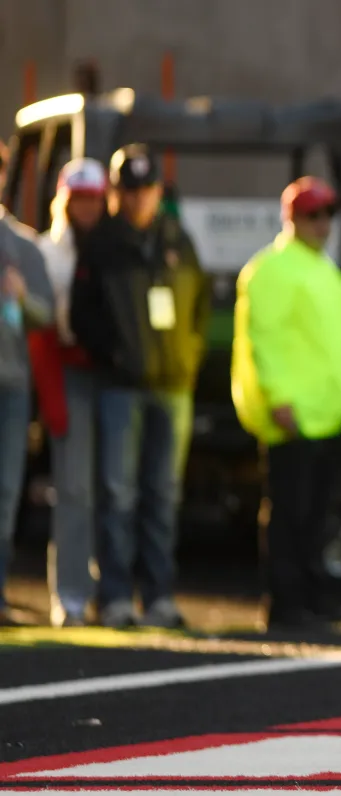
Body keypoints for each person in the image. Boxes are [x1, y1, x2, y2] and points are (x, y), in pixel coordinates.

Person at [70, 144, 210, 629]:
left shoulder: (177, 238)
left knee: (163, 494)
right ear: (117, 193)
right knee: (117, 492)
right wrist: (115, 354)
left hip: (172, 387)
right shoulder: (103, 243)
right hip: (121, 387)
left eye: (146, 190)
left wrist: (186, 360)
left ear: (157, 192)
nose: (138, 200)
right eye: (129, 191)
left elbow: (200, 307)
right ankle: (114, 596)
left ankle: (159, 595)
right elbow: (80, 314)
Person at [231, 177, 341, 629]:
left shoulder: (322, 268)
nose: (323, 224)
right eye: (313, 215)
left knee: (319, 514)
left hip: (329, 413)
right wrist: (279, 398)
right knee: (291, 511)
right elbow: (263, 339)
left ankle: (312, 594)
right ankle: (285, 601)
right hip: (295, 415)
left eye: (327, 215)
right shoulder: (271, 269)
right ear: (291, 219)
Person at [35, 158, 108, 626]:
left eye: (92, 199)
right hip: (67, 372)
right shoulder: (45, 251)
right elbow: (40, 332)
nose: (84, 207)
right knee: (75, 488)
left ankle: (109, 589)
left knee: (111, 489)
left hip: (110, 376)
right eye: (77, 198)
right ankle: (72, 594)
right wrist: (52, 399)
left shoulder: (113, 245)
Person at [0, 142, 55, 625]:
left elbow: (45, 315)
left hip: (12, 386)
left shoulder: (22, 243)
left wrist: (20, 296)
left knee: (5, 493)